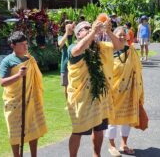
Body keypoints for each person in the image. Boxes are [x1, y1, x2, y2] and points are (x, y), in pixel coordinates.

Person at [67, 19, 124, 157]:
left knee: (99, 129)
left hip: (99, 95)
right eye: (85, 28)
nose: (89, 29)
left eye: (90, 27)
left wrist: (108, 30)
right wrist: (93, 31)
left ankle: (96, 155)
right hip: (81, 97)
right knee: (78, 130)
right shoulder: (72, 46)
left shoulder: (101, 46)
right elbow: (77, 51)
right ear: (78, 34)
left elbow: (120, 46)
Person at [0, 31, 47, 157]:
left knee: (33, 129)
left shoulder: (30, 59)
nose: (26, 47)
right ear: (13, 45)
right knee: (15, 133)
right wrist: (19, 75)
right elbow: (2, 82)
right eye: (22, 44)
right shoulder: (7, 61)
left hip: (31, 99)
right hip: (14, 102)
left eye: (26, 44)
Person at [105, 26, 144, 156]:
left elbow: (138, 70)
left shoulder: (131, 51)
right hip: (113, 91)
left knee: (126, 119)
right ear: (113, 36)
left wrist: (137, 89)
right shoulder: (108, 50)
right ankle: (111, 146)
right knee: (112, 120)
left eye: (123, 35)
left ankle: (124, 144)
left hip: (129, 91)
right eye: (119, 35)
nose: (121, 37)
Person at [58, 20, 75, 98]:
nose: (68, 25)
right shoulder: (61, 36)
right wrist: (67, 33)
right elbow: (60, 44)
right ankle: (68, 104)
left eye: (70, 23)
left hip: (75, 65)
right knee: (66, 87)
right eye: (66, 24)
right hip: (65, 65)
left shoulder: (76, 36)